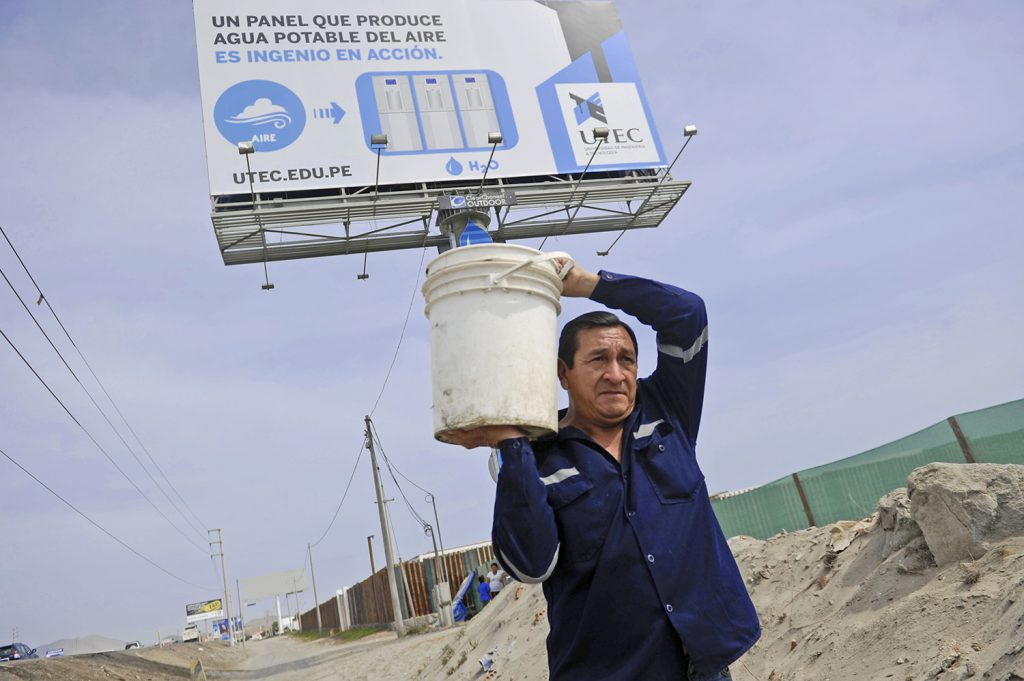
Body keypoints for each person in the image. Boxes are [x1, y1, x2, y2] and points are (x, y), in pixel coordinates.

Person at [448, 260, 761, 681]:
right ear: (563, 374)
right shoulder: (538, 458)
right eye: (598, 359)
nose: (616, 374)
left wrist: (591, 285)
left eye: (626, 359)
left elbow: (687, 313)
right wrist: (511, 441)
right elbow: (530, 565)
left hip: (701, 668)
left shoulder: (667, 410)